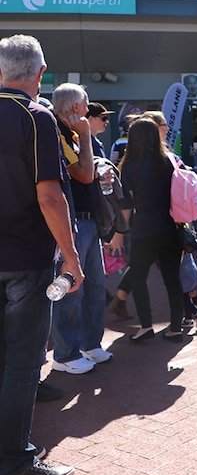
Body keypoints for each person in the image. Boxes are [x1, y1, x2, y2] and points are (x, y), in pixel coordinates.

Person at [0, 33, 82, 475]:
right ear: (39, 74)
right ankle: (13, 461)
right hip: (26, 259)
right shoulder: (36, 117)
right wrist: (72, 257)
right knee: (22, 363)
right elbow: (50, 196)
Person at [50, 83, 113, 374]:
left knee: (95, 287)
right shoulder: (59, 133)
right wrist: (86, 135)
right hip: (73, 222)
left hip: (87, 220)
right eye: (86, 104)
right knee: (72, 289)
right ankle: (65, 353)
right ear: (75, 107)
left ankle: (90, 343)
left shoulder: (71, 133)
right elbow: (84, 175)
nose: (89, 110)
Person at [109, 117, 186, 342]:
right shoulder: (169, 161)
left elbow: (127, 205)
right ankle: (175, 328)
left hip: (143, 229)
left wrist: (120, 233)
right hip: (171, 226)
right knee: (173, 279)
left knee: (139, 277)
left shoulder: (130, 165)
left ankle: (145, 326)